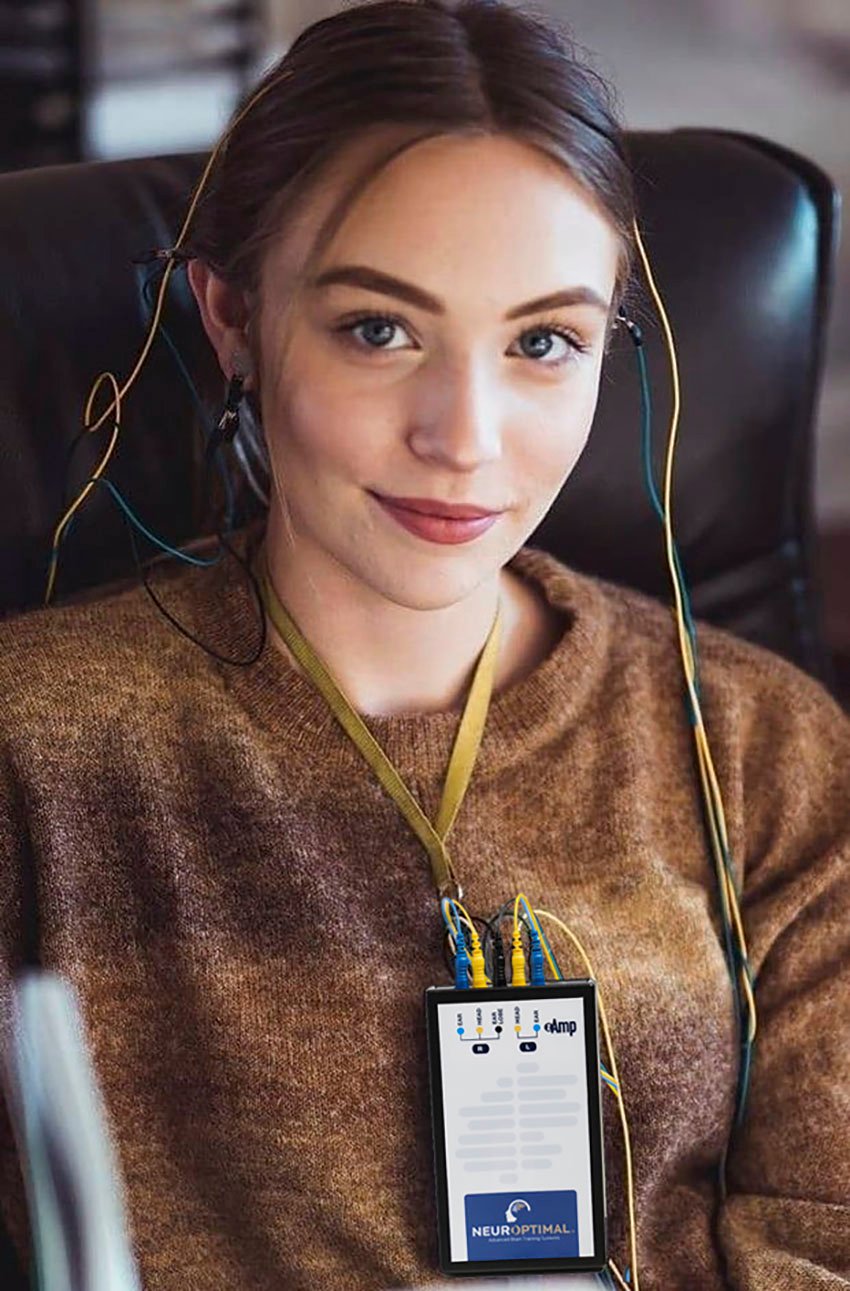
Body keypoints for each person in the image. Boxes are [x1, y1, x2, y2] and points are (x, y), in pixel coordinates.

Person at [0, 2, 848, 1289]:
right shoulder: (35, 748)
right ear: (232, 318)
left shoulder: (761, 748)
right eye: (378, 330)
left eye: (542, 343)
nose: (465, 435)